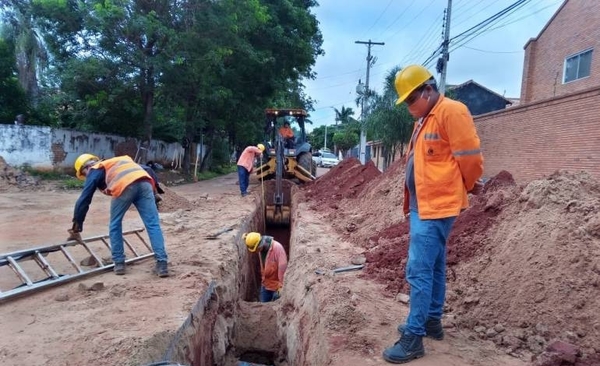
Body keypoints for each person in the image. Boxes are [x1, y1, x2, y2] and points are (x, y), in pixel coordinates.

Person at [382, 65, 484, 364]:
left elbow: (471, 160)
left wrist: (459, 188)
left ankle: (413, 338)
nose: (409, 107)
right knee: (435, 265)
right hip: (423, 204)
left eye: (412, 100)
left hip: (437, 205)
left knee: (418, 270)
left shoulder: (452, 111)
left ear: (428, 90)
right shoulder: (425, 118)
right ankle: (431, 322)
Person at [67, 154, 170, 277]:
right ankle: (162, 264)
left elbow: (84, 199)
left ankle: (119, 263)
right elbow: (147, 169)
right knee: (153, 224)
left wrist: (76, 226)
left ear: (87, 166)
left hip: (124, 186)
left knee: (115, 224)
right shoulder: (120, 160)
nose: (86, 177)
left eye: (84, 174)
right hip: (145, 183)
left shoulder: (96, 169)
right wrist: (155, 191)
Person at [243, 232, 287, 302]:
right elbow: (248, 237)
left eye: (256, 249)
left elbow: (283, 268)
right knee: (262, 307)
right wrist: (246, 238)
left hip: (276, 287)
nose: (256, 252)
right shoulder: (261, 246)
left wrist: (281, 287)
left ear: (260, 245)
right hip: (265, 284)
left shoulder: (277, 248)